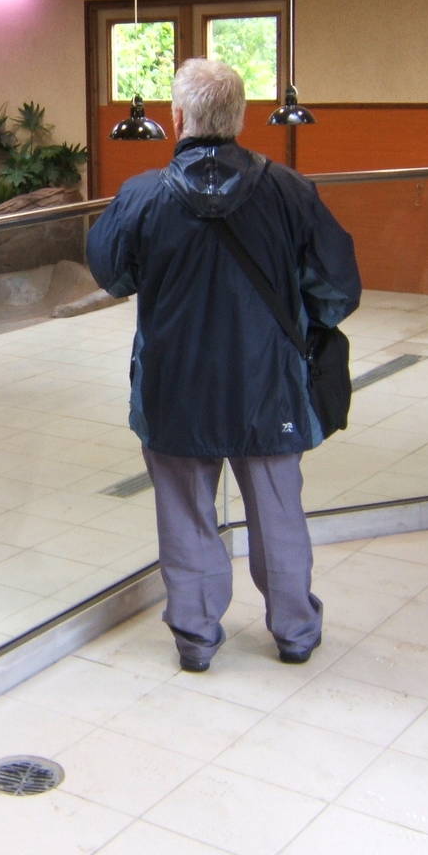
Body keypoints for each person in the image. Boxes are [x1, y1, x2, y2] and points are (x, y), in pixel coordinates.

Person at [87, 57, 360, 671]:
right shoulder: (290, 190)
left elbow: (111, 272)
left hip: (173, 388)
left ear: (177, 117)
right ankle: (294, 631)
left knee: (185, 512)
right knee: (278, 510)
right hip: (270, 387)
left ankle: (196, 636)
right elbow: (339, 288)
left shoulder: (141, 195)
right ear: (239, 119)